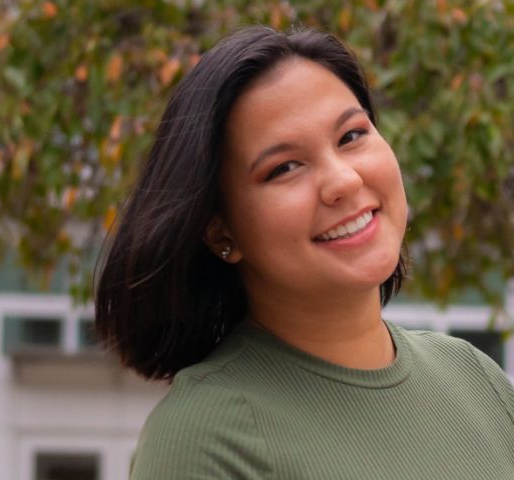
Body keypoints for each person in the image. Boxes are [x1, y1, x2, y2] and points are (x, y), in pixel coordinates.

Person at [95, 25, 514, 479]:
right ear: (220, 233)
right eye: (285, 168)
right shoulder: (205, 439)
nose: (344, 181)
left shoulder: (475, 379)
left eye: (352, 136)